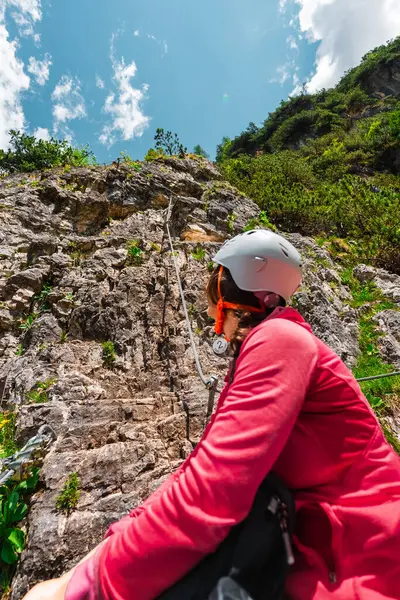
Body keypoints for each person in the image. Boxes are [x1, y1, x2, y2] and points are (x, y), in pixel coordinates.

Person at [23, 230, 400, 600]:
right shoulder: (274, 344)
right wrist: (109, 546)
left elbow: (216, 487)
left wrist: (93, 586)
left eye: (213, 296)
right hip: (335, 553)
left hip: (367, 560)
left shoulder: (280, 341)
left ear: (227, 294)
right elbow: (201, 467)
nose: (208, 313)